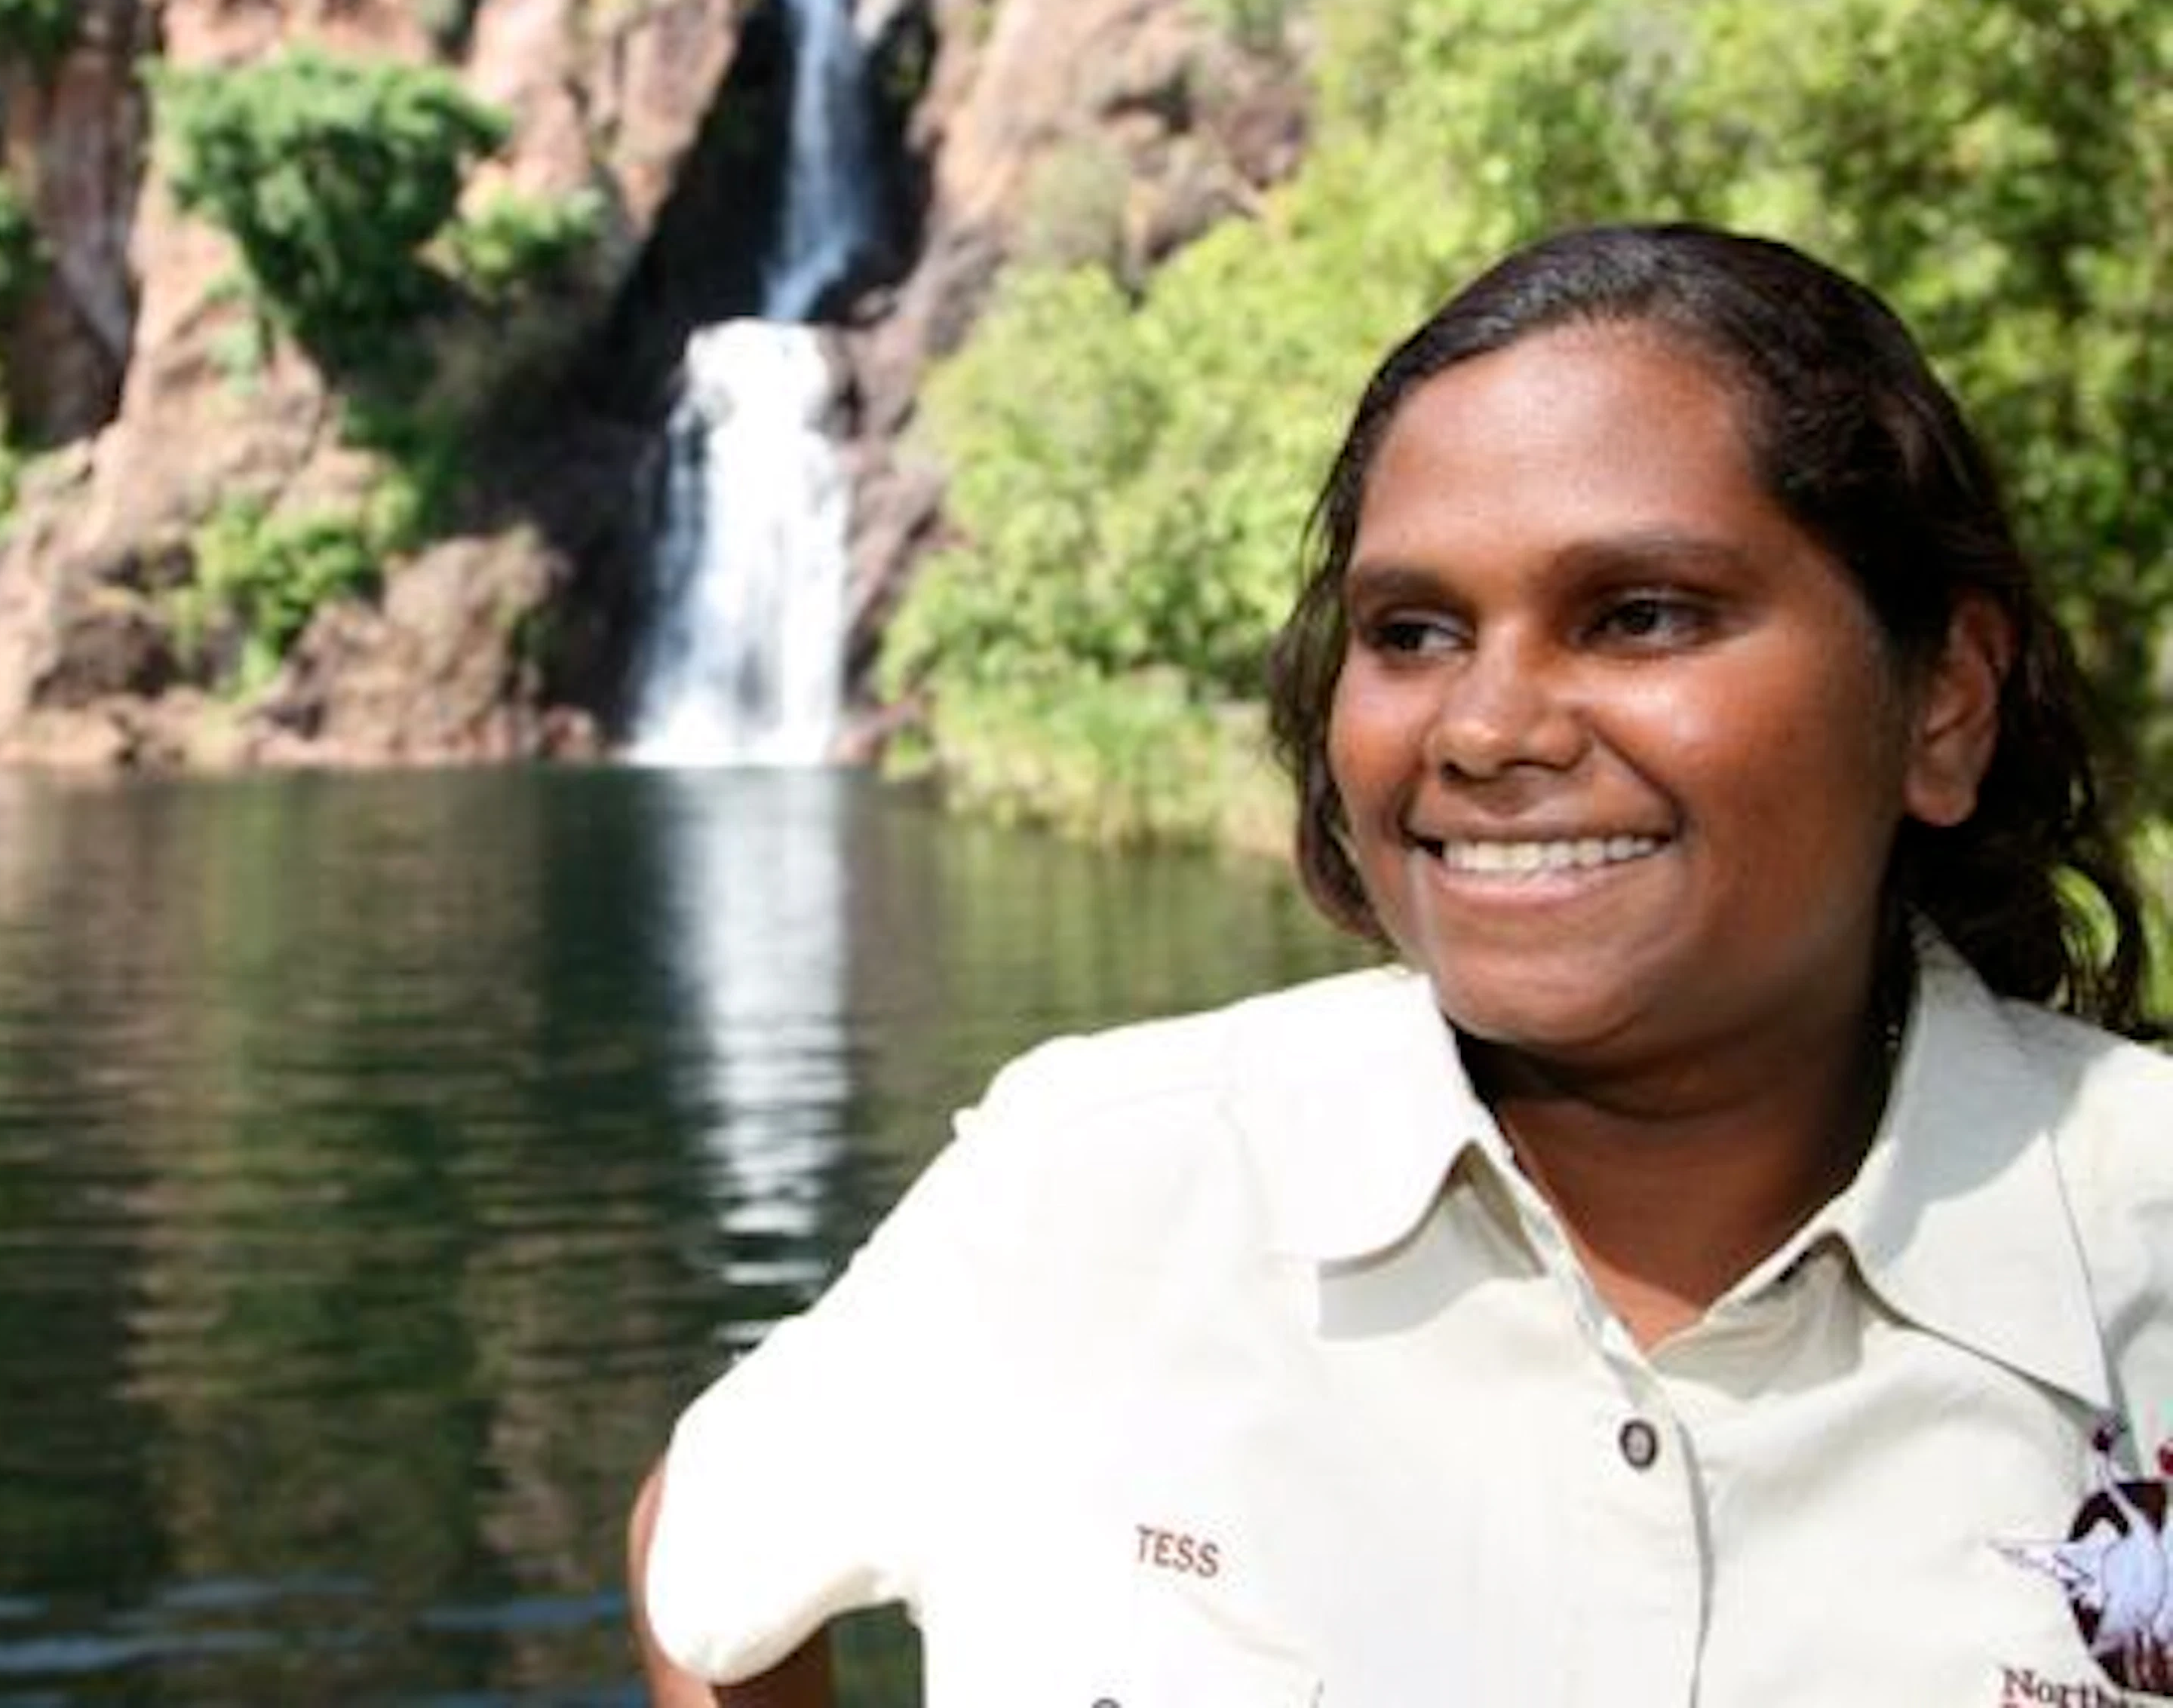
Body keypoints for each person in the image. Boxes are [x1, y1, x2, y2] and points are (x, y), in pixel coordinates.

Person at [626, 222, 2170, 1705]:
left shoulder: (2140, 1249)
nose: (1489, 728)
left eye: (1639, 614)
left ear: (1946, 701)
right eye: (1415, 629)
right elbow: (703, 1545)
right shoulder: (1097, 1186)